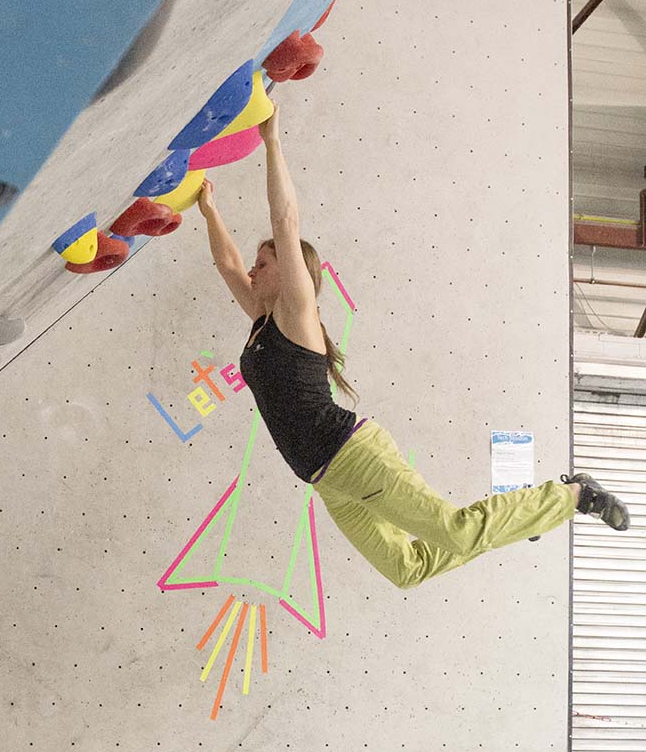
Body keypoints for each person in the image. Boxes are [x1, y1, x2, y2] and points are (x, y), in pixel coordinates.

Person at [197, 103, 630, 590]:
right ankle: (523, 519)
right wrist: (209, 209)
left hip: (352, 456)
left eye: (264, 262)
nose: (253, 271)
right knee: (407, 570)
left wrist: (273, 142)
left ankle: (573, 497)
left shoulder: (296, 316)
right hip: (327, 479)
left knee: (456, 533)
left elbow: (286, 221)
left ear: (297, 274)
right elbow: (227, 265)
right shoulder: (260, 325)